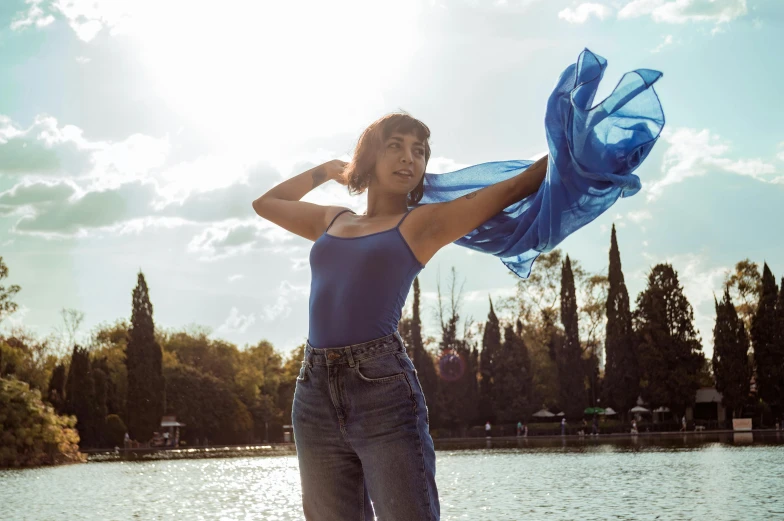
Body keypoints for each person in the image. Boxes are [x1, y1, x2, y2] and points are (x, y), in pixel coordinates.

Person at [254, 113, 547, 521]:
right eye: (395, 145)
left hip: (382, 391)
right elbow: (265, 204)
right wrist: (327, 170)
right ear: (370, 155)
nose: (409, 158)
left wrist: (574, 150)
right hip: (313, 394)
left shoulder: (422, 224)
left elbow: (516, 185)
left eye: (419, 151)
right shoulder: (333, 219)